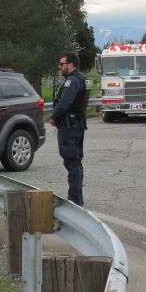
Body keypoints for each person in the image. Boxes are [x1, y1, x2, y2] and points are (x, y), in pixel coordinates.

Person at [49, 52, 88, 206]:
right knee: (75, 160)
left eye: (62, 64)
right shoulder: (81, 78)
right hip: (76, 124)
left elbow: (65, 103)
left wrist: (54, 116)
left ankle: (75, 199)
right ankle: (76, 196)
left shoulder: (72, 81)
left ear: (70, 64)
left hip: (70, 125)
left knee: (72, 161)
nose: (60, 67)